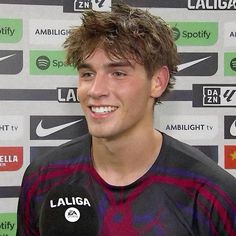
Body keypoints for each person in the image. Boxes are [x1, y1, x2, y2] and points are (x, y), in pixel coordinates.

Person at [17, 2, 236, 235]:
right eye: (87, 74)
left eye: (118, 73)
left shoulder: (211, 192)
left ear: (158, 82)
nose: (95, 90)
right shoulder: (44, 177)